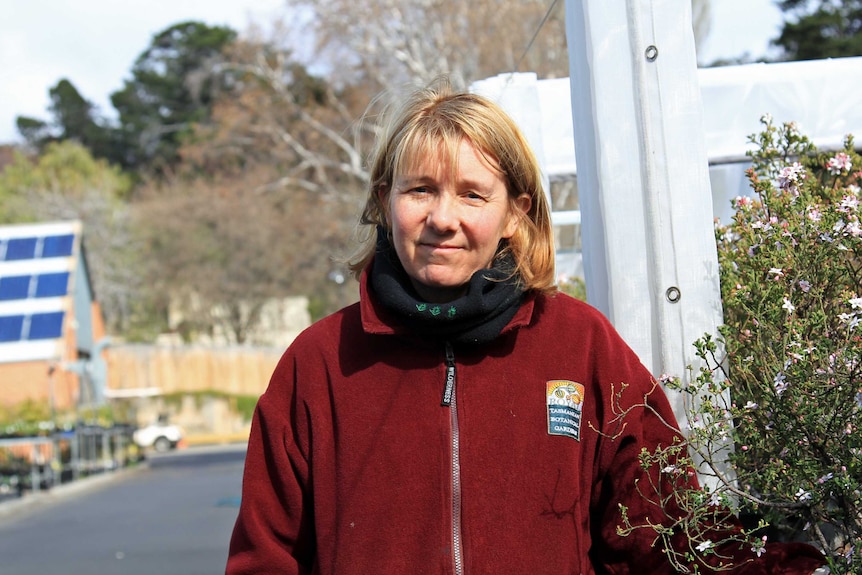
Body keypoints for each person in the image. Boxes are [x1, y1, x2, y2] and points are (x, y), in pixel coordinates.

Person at [226, 79, 826, 574]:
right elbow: (264, 557)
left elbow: (664, 533)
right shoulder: (321, 362)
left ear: (516, 213)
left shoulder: (580, 345)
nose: (442, 218)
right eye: (420, 190)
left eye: (472, 194)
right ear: (385, 201)